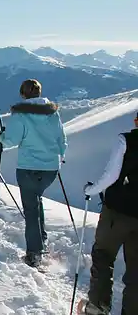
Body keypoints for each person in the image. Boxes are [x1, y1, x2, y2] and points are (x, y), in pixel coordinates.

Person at [0, 79, 67, 267]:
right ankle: (41, 241)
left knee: (31, 209)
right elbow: (61, 139)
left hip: (29, 167)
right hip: (51, 169)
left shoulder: (21, 114)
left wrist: (0, 137)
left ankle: (34, 254)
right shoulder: (53, 113)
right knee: (36, 201)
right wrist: (60, 156)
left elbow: (11, 140)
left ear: (23, 94)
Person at [78, 111, 138, 315]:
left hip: (117, 212)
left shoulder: (125, 141)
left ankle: (98, 306)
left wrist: (90, 189)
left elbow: (111, 175)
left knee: (103, 256)